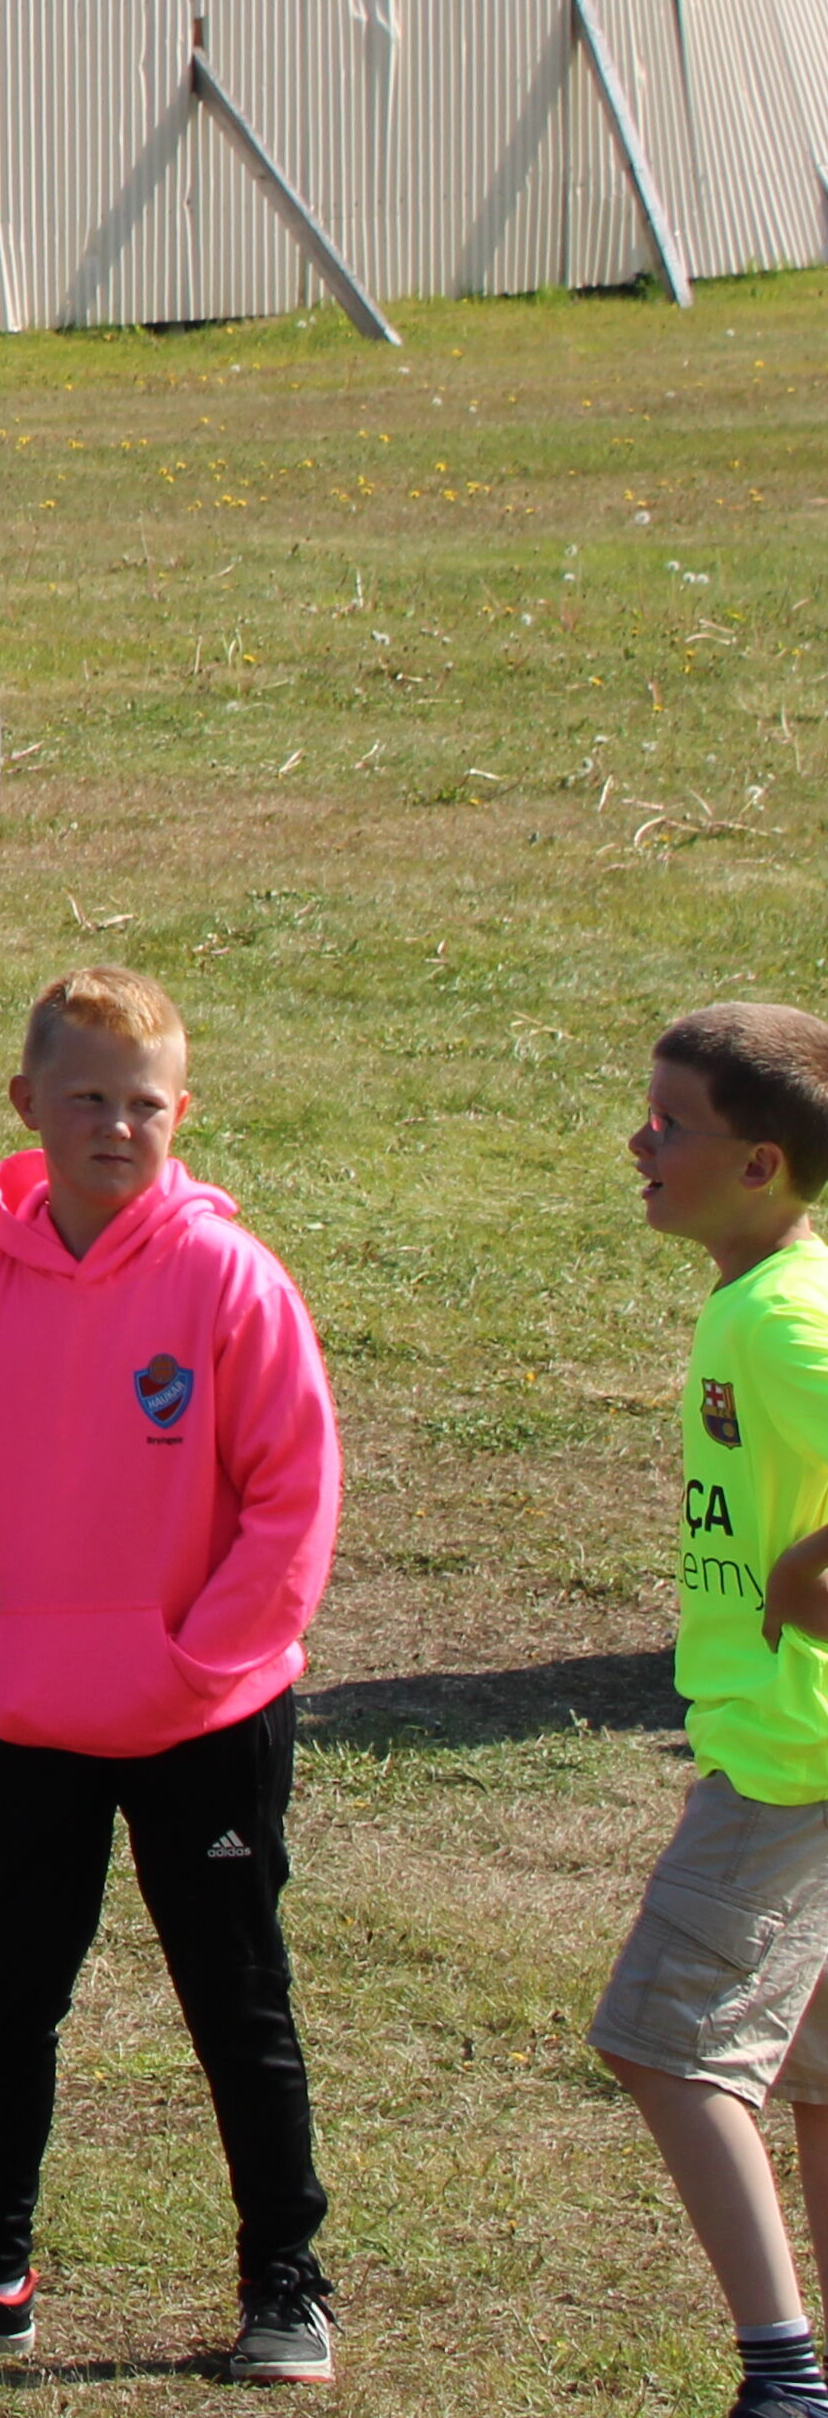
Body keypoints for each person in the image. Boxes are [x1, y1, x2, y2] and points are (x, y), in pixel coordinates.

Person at [0, 966, 342, 2384]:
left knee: (237, 1996)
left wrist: (198, 1664)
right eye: (85, 1097)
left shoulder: (228, 1277)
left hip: (205, 1726)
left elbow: (291, 1499)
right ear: (26, 1104)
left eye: (144, 1104)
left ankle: (287, 2280)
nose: (114, 1125)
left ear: (182, 1115)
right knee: (6, 2001)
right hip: (29, 1718)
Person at [593, 1003, 828, 2418]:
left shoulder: (783, 1323)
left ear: (762, 1166)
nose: (642, 1139)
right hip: (792, 1749)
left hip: (789, 1764)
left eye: (673, 1122)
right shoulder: (771, 1297)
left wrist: (808, 1569)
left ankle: (782, 2379)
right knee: (813, 2078)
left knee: (663, 2042)